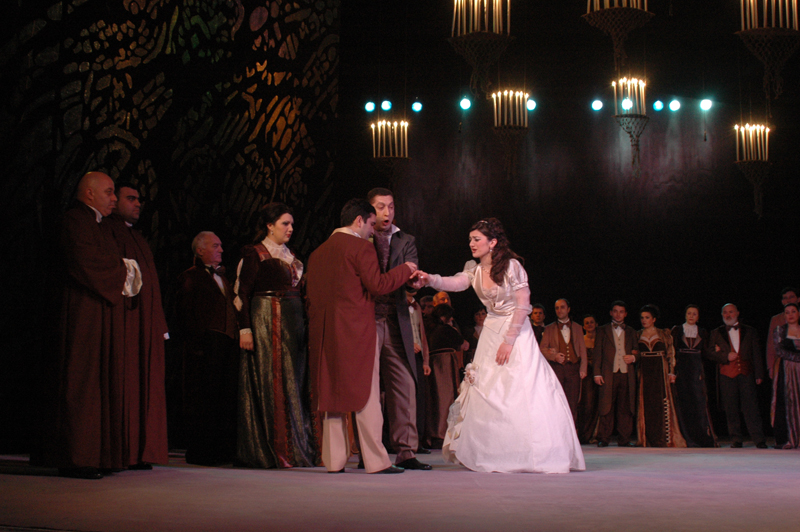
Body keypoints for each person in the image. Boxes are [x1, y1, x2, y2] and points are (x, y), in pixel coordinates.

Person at [413, 218, 584, 474]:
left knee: (520, 387)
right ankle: (492, 450)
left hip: (516, 330)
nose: (471, 243)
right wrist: (429, 279)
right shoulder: (474, 269)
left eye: (477, 239)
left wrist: (509, 340)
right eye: (470, 239)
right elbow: (455, 283)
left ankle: (532, 452)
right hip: (491, 330)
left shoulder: (512, 266)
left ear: (492, 242)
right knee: (487, 387)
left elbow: (523, 304)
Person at [306, 199, 417, 474]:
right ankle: (376, 461)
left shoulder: (317, 253)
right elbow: (378, 285)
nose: (371, 231)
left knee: (331, 394)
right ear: (359, 220)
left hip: (324, 332)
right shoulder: (360, 247)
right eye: (370, 224)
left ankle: (334, 461)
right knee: (366, 393)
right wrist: (406, 269)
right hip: (355, 330)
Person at [50, 172, 142, 479]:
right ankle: (78, 457)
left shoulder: (99, 224)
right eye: (109, 192)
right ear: (89, 193)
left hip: (100, 313)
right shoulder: (75, 220)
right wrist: (123, 269)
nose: (114, 199)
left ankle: (101, 454)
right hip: (83, 314)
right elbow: (85, 261)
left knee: (102, 381)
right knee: (84, 381)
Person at [233, 203, 318, 468]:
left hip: (292, 324)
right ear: (270, 226)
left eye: (292, 224)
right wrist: (245, 329)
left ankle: (295, 448)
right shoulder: (255, 253)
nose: (290, 228)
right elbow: (241, 295)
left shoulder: (291, 255)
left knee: (293, 381)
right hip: (266, 322)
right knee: (271, 380)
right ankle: (273, 449)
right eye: (285, 223)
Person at [107, 182, 169, 469]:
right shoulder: (108, 231)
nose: (137, 203)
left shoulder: (137, 237)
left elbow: (151, 285)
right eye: (130, 198)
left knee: (145, 383)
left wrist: (158, 322)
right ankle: (126, 450)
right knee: (128, 382)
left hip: (144, 323)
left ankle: (141, 451)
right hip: (126, 322)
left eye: (138, 199)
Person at [368, 188, 430, 471]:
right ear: (370, 211)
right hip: (368, 318)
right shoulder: (362, 237)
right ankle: (369, 452)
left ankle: (406, 451)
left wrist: (413, 282)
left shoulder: (406, 239)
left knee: (405, 385)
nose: (387, 212)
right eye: (381, 207)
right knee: (368, 389)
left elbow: (411, 273)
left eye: (391, 207)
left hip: (396, 320)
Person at [176, 232, 240, 465]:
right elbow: (186, 314)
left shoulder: (224, 277)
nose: (221, 250)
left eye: (221, 245)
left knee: (224, 399)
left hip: (226, 345)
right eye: (215, 246)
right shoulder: (190, 277)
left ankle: (223, 451)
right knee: (204, 401)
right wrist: (197, 345)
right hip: (205, 347)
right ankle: (202, 452)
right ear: (200, 250)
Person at [707, 304, 767, 449]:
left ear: (737, 313)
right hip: (727, 374)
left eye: (731, 312)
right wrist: (725, 356)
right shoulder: (716, 332)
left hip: (746, 373)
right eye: (725, 312)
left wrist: (759, 374)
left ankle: (758, 439)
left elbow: (756, 353)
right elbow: (709, 353)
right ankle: (736, 439)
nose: (728, 315)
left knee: (751, 407)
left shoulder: (750, 331)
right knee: (731, 407)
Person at [636, 305, 686, 447]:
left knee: (662, 402)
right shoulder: (637, 334)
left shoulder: (663, 334)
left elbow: (670, 353)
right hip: (645, 371)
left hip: (660, 371)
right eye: (642, 318)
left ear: (654, 319)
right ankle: (647, 438)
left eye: (647, 317)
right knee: (647, 404)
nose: (644, 320)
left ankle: (665, 438)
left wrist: (671, 371)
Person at [593, 301, 639, 447]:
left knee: (625, 407)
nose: (618, 314)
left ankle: (624, 438)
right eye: (615, 311)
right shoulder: (602, 330)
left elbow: (637, 351)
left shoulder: (631, 331)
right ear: (611, 313)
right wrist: (597, 373)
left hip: (626, 373)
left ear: (625, 314)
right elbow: (597, 353)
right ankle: (604, 438)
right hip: (608, 373)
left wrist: (634, 358)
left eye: (621, 311)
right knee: (606, 406)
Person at [670, 305, 717, 448]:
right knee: (684, 404)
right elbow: (672, 351)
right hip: (682, 372)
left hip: (696, 372)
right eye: (689, 313)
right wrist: (672, 371)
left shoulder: (702, 332)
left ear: (698, 317)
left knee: (698, 404)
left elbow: (707, 352)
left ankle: (700, 437)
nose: (691, 316)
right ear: (685, 315)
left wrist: (716, 350)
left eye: (694, 314)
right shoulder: (677, 330)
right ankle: (686, 437)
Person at [539, 299, 588, 424]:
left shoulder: (577, 327)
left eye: (562, 307)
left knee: (573, 402)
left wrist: (583, 368)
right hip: (558, 369)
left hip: (573, 368)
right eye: (557, 308)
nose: (559, 310)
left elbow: (583, 350)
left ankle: (572, 431)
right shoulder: (549, 328)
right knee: (557, 401)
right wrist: (554, 356)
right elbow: (542, 349)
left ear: (568, 309)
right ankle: (559, 431)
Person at [766, 287, 796, 447]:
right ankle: (786, 437)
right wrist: (771, 367)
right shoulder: (777, 320)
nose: (787, 300)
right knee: (784, 400)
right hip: (784, 367)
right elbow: (772, 347)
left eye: (791, 297)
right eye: (785, 298)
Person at [405, 287, 431, 452]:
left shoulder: (416, 307)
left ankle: (418, 440)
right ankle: (406, 441)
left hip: (418, 356)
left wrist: (426, 360)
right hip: (403, 356)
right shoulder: (398, 305)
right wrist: (409, 344)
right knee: (406, 399)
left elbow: (422, 335)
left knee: (420, 399)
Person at [772, 302, 800, 449]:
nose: (790, 315)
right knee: (790, 402)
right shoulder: (780, 330)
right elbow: (779, 351)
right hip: (788, 371)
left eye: (793, 311)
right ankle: (791, 437)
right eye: (787, 312)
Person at [577, 314, 600, 443]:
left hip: (599, 374)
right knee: (586, 404)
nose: (589, 324)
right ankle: (584, 434)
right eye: (587, 323)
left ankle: (595, 434)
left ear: (596, 324)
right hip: (585, 375)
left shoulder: (601, 340)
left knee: (599, 404)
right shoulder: (581, 340)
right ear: (583, 326)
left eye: (592, 322)